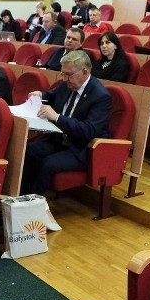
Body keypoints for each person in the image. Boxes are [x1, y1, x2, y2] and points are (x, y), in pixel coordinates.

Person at [22, 50, 111, 194]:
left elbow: (88, 130)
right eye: (62, 73)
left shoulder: (100, 96)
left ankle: (31, 206)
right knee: (26, 151)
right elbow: (53, 94)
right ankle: (18, 198)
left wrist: (57, 118)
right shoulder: (68, 83)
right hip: (59, 139)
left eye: (68, 75)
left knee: (48, 163)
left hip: (80, 148)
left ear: (84, 71)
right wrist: (41, 94)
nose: (64, 79)